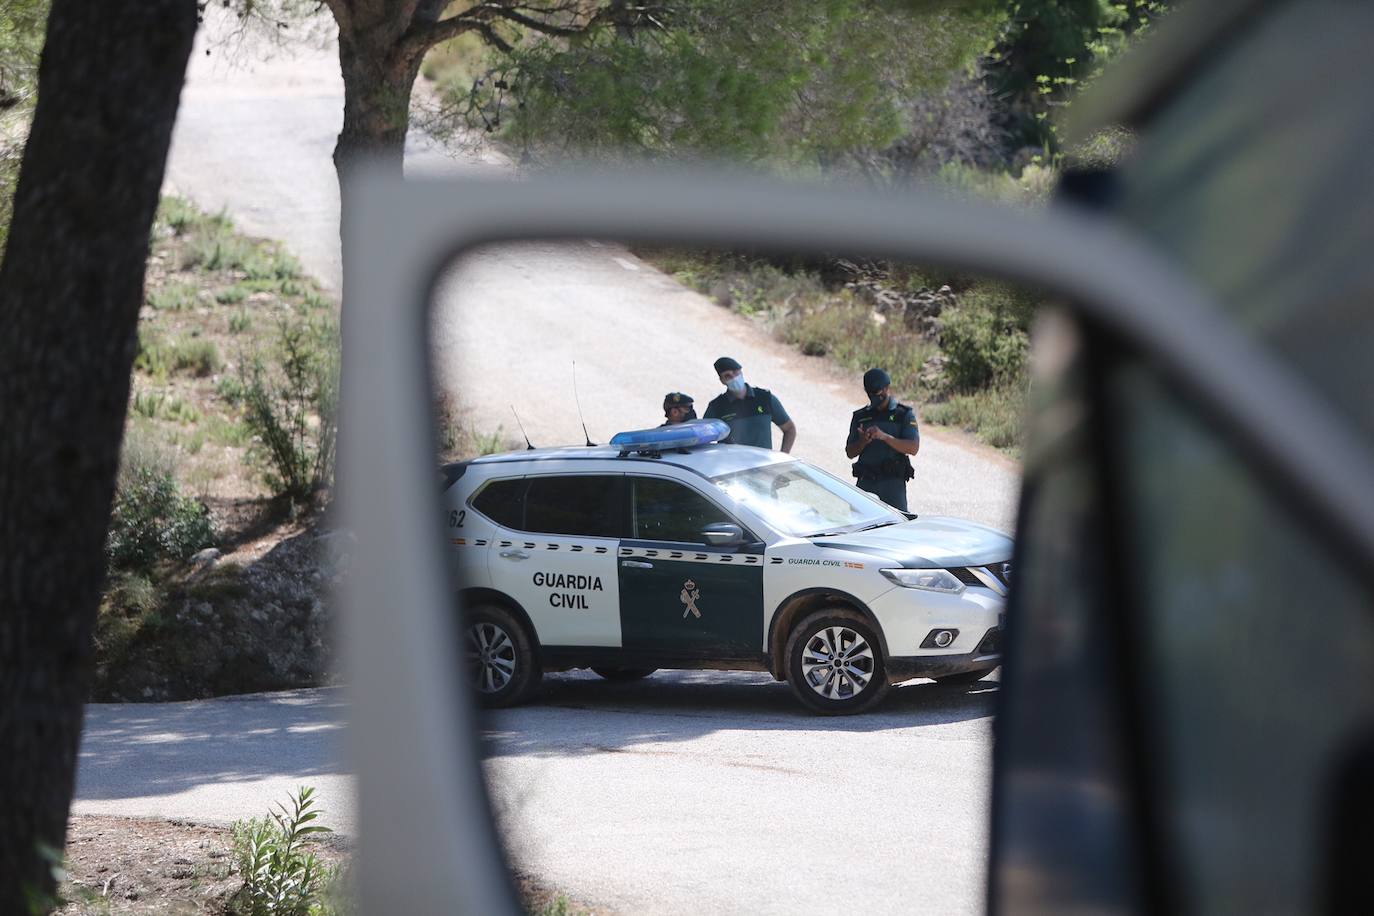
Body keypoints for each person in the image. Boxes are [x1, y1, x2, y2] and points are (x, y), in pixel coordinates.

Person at [845, 368, 919, 511]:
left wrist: (885, 437)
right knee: (858, 524)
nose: (874, 398)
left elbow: (913, 447)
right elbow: (849, 452)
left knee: (897, 528)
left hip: (893, 485)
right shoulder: (860, 416)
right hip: (866, 482)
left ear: (886, 388)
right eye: (870, 394)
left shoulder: (903, 415)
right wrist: (862, 442)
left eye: (877, 393)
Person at [702, 356, 796, 452]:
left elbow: (789, 429)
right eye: (727, 376)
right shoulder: (717, 407)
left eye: (735, 372)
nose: (733, 378)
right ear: (722, 380)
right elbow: (702, 437)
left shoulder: (765, 398)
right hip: (732, 465)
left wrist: (783, 456)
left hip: (763, 464)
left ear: (741, 372)